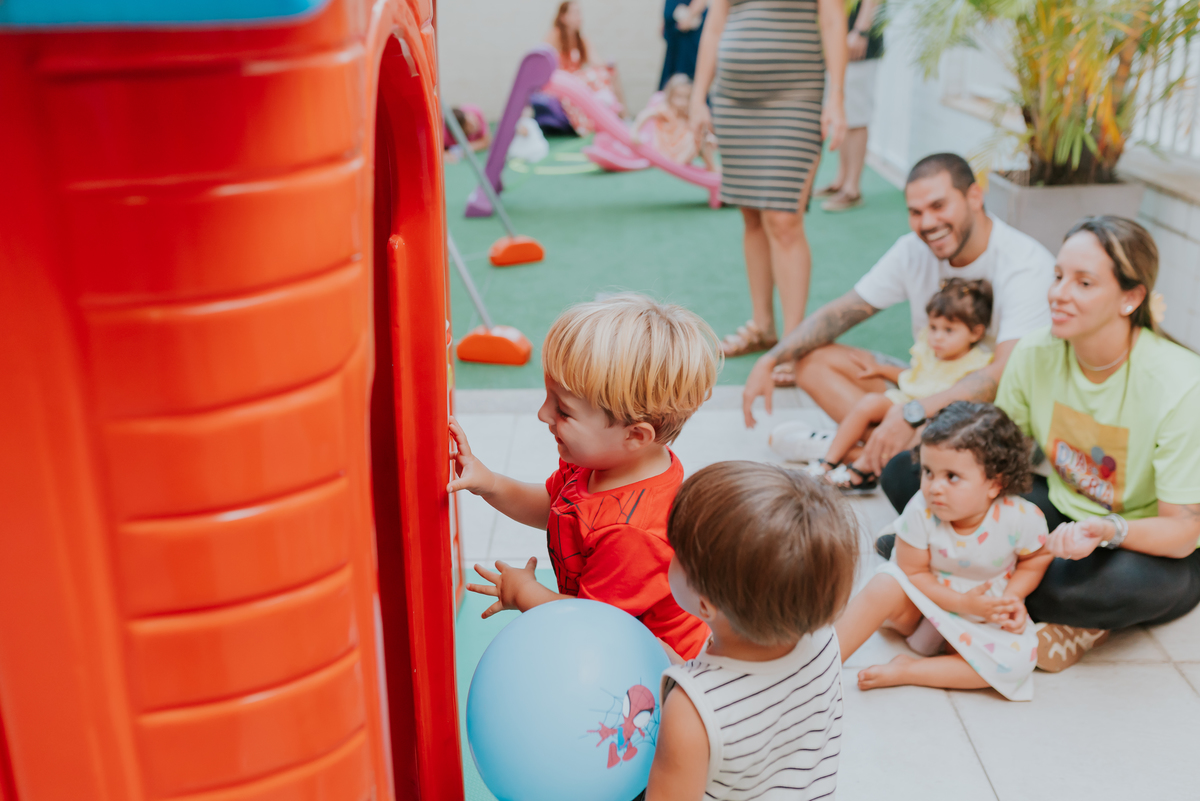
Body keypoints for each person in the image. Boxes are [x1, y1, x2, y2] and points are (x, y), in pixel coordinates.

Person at [875, 216, 1200, 671]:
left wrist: (1108, 530)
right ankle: (990, 587)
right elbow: (995, 459)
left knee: (1092, 587)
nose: (1059, 294)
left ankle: (1021, 600)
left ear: (1130, 297)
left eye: (1083, 283)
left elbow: (1183, 532)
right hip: (1064, 507)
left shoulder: (1181, 385)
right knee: (905, 473)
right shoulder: (1034, 352)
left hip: (1143, 540)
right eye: (1058, 276)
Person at [447, 294, 721, 661]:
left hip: (659, 674)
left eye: (563, 410)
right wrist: (491, 483)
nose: (543, 414)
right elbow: (553, 507)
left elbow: (595, 623)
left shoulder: (632, 533)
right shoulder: (600, 462)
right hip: (608, 642)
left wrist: (524, 592)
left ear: (636, 436)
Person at [746, 153, 1054, 475]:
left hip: (991, 415)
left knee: (960, 426)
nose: (927, 223)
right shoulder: (912, 250)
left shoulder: (1025, 264)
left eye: (938, 206)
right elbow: (846, 309)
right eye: (915, 212)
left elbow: (1002, 374)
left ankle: (847, 451)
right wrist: (771, 359)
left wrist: (914, 412)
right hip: (929, 385)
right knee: (810, 361)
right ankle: (878, 453)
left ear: (974, 197)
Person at [643, 461, 858, 801]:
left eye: (677, 552)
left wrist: (684, 692)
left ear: (707, 605)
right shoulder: (822, 638)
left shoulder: (690, 712)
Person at [836, 403, 1052, 699]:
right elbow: (913, 573)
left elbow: (1036, 558)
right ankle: (825, 663)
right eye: (928, 471)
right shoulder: (921, 510)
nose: (934, 487)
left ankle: (908, 670)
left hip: (982, 609)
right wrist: (960, 603)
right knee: (885, 582)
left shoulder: (1022, 518)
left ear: (995, 482)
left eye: (951, 476)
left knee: (1017, 663)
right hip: (922, 601)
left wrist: (1011, 597)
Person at [689, 0, 848, 358]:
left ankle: (793, 344)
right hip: (733, 98)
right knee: (751, 213)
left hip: (797, 95)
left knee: (784, 217)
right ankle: (762, 326)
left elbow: (833, 19)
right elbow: (715, 23)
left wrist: (836, 96)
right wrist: (698, 98)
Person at [802, 278, 994, 491]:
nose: (937, 337)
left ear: (975, 333)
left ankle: (861, 469)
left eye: (949, 330)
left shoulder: (977, 365)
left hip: (932, 419)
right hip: (906, 404)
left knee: (914, 434)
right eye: (933, 327)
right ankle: (829, 460)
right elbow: (914, 377)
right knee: (870, 402)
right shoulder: (931, 352)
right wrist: (881, 370)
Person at [814, 0, 882, 212]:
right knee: (846, 113)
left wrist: (861, 30)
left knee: (857, 115)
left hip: (858, 42)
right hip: (839, 40)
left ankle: (852, 188)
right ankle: (841, 181)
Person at [546, 1, 626, 134]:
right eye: (575, 13)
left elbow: (596, 61)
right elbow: (544, 60)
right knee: (595, 77)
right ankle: (603, 112)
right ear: (563, 17)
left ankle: (610, 110)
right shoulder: (556, 35)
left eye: (579, 13)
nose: (580, 17)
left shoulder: (582, 40)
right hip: (562, 83)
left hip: (577, 81)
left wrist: (609, 65)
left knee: (605, 73)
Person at [630, 74, 716, 170]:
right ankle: (710, 167)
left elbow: (701, 131)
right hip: (666, 152)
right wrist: (635, 131)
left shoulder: (689, 115)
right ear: (670, 97)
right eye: (678, 97)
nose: (683, 102)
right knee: (697, 136)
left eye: (687, 98)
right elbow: (646, 114)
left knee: (703, 136)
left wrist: (710, 137)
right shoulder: (667, 111)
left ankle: (711, 167)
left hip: (683, 153)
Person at [660, 0, 707, 89]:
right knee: (671, 69)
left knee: (686, 70)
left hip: (688, 30)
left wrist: (690, 15)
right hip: (673, 32)